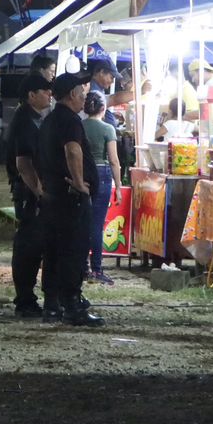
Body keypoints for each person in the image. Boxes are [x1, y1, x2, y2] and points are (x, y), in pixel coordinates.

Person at [35, 73, 102, 326]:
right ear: (72, 94)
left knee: (53, 251)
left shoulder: (50, 119)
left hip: (52, 195)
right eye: (82, 91)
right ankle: (72, 306)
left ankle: (52, 305)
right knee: (73, 251)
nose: (85, 95)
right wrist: (78, 181)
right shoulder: (70, 120)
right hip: (70, 198)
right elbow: (73, 150)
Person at [5, 74, 53, 318]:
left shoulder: (34, 118)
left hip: (31, 190)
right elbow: (23, 163)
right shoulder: (25, 121)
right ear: (31, 95)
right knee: (29, 246)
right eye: (45, 91)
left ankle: (28, 297)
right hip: (28, 192)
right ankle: (25, 299)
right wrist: (39, 192)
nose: (49, 95)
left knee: (34, 244)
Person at [82, 91, 121, 287]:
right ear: (103, 108)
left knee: (81, 222)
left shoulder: (79, 126)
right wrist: (119, 188)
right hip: (102, 174)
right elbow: (114, 160)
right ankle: (96, 269)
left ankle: (82, 267)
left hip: (82, 173)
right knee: (97, 225)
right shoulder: (108, 129)